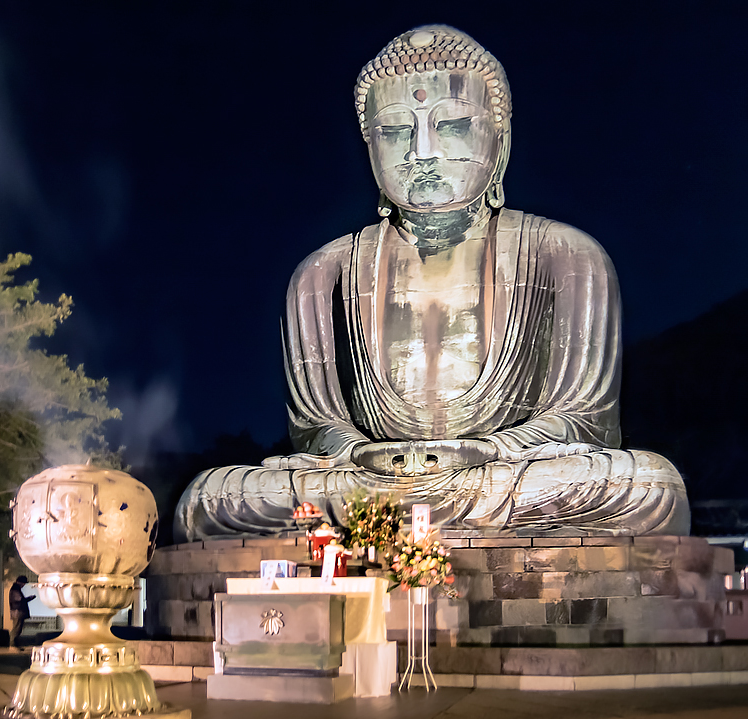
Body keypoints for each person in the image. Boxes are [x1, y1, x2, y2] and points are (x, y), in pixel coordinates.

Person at [175, 24, 689, 542]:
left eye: (453, 126)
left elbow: (584, 423)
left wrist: (490, 451)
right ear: (369, 144)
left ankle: (389, 525)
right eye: (397, 131)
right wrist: (360, 453)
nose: (422, 151)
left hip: (504, 476)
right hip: (370, 480)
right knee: (211, 499)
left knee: (647, 486)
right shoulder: (321, 275)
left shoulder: (567, 257)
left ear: (500, 137)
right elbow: (314, 432)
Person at [8, 575, 36, 649]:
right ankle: (12, 644)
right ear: (20, 582)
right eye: (23, 583)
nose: (24, 585)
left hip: (15, 611)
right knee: (17, 629)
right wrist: (29, 598)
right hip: (18, 611)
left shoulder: (15, 589)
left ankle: (13, 643)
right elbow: (19, 600)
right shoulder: (15, 589)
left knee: (17, 628)